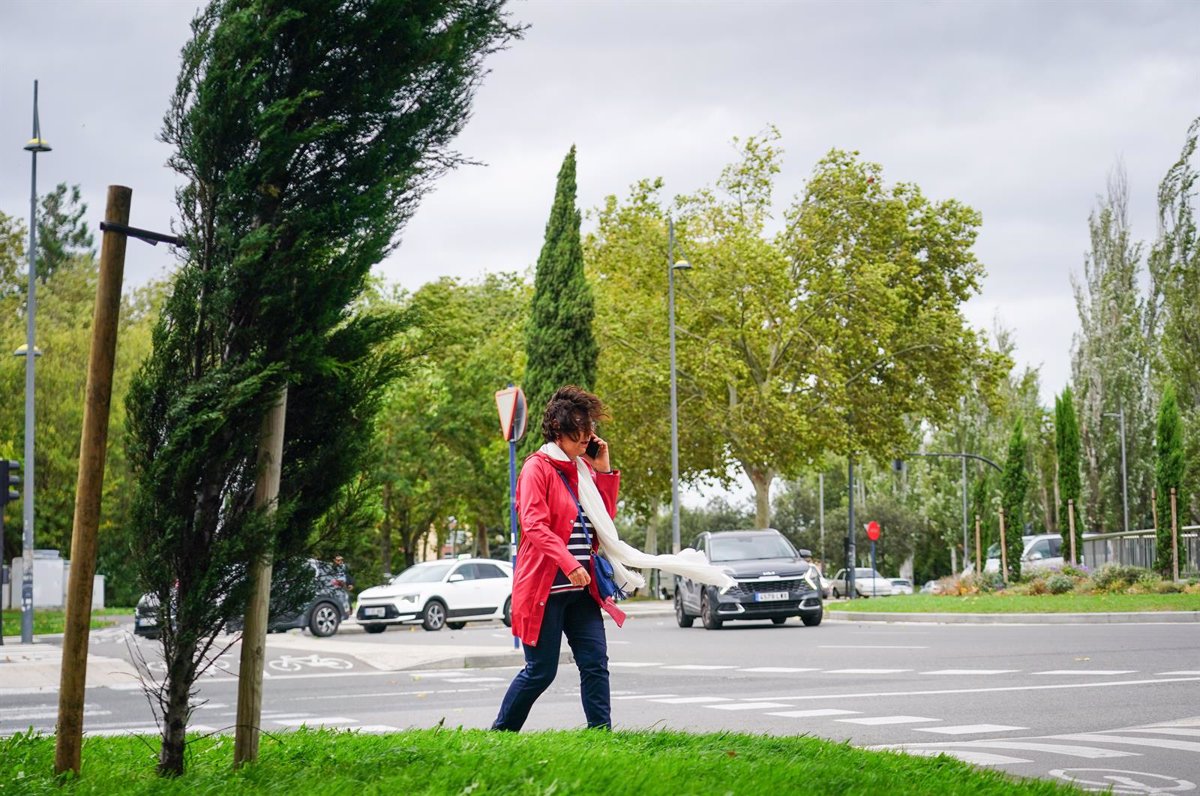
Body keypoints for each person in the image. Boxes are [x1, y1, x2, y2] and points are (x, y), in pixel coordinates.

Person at [492, 385, 618, 731]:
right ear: (560, 434)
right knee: (541, 672)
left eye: (589, 433)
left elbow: (603, 522)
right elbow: (533, 523)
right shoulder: (537, 468)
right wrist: (570, 563)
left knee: (595, 663)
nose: (587, 441)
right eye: (580, 436)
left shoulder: (583, 471)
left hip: (581, 591)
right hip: (546, 589)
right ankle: (500, 734)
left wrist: (604, 472)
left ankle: (601, 736)